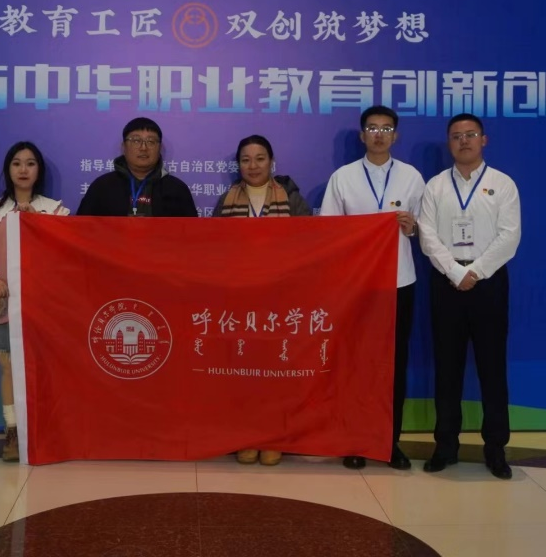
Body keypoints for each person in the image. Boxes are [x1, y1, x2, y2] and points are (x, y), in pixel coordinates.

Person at [319, 106, 424, 471]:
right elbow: (329, 233)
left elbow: (426, 228)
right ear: (362, 135)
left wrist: (412, 227)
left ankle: (389, 442)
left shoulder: (411, 177)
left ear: (396, 136)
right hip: (357, 286)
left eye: (386, 128)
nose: (379, 134)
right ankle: (355, 441)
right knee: (356, 363)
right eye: (372, 128)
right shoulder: (343, 178)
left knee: (393, 364)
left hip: (399, 282)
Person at [417, 113, 521, 479]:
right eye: (456, 136)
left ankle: (496, 448)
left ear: (484, 140)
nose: (464, 141)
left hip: (488, 283)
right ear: (449, 143)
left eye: (470, 134)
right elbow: (427, 235)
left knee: (493, 367)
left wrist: (475, 271)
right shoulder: (435, 186)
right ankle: (445, 445)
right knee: (447, 367)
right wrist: (455, 272)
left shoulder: (502, 184)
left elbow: (509, 236)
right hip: (446, 282)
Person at [0, 141, 70, 462]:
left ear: (39, 170)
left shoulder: (57, 211)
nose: (23, 170)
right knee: (8, 367)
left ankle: (41, 427)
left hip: (42, 305)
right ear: (7, 170)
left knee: (42, 367)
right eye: (16, 163)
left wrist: (36, 223)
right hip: (2, 302)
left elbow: (63, 257)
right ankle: (12, 430)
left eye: (30, 163)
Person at [214, 134, 311, 465]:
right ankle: (246, 435)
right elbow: (213, 250)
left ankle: (274, 436)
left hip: (280, 300)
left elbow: (310, 245)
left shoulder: (292, 199)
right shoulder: (227, 200)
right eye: (245, 160)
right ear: (238, 165)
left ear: (272, 162)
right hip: (238, 300)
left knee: (277, 371)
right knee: (241, 372)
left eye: (259, 158)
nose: (252, 166)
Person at [77, 117, 198, 217]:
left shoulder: (177, 189)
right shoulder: (102, 187)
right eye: (136, 141)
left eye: (150, 142)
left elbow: (191, 232)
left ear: (159, 148)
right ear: (123, 147)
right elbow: (82, 229)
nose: (143, 148)